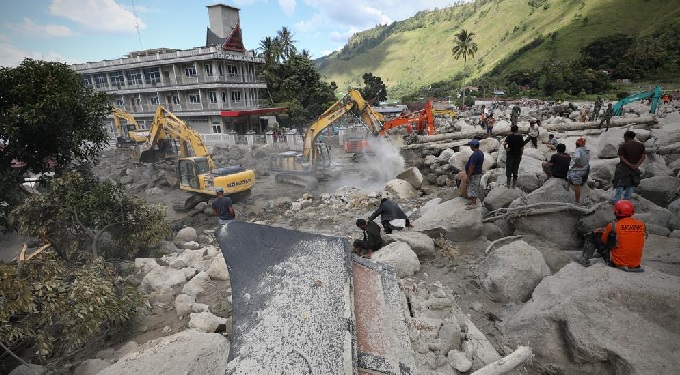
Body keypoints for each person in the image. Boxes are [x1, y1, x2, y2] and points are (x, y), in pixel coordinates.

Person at [601, 200, 646, 271]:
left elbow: (604, 241)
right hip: (636, 263)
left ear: (616, 212)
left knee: (594, 235)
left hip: (618, 263)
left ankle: (584, 259)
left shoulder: (613, 225)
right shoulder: (641, 224)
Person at [611, 131, 645, 203]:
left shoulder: (623, 146)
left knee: (619, 183)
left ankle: (617, 199)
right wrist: (636, 165)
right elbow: (643, 157)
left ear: (626, 137)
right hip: (635, 168)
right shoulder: (640, 145)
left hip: (623, 168)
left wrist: (629, 164)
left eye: (624, 137)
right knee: (631, 183)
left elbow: (622, 158)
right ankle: (626, 200)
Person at [566, 137, 590, 205]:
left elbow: (577, 157)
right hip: (586, 168)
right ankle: (568, 187)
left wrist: (577, 163)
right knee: (570, 172)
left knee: (576, 184)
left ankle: (577, 201)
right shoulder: (586, 150)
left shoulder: (578, 150)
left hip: (579, 170)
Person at [465, 139, 485, 210]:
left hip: (474, 174)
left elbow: (472, 166)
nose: (470, 146)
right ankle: (472, 201)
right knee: (474, 186)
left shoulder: (475, 155)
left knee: (473, 187)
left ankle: (474, 203)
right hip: (478, 172)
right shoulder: (480, 153)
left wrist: (468, 176)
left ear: (473, 146)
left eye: (470, 145)